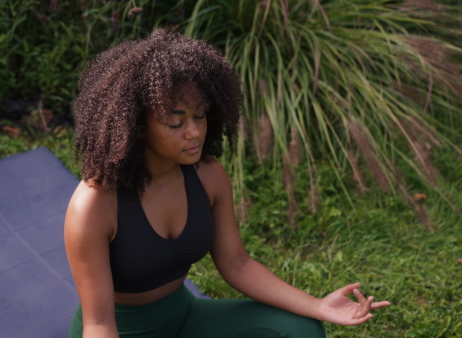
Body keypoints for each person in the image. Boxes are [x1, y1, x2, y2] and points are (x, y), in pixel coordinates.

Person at [65, 28, 390, 338]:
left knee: (301, 330)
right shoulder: (95, 203)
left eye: (200, 115)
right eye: (175, 122)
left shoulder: (208, 175)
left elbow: (237, 264)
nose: (194, 132)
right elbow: (98, 324)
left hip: (183, 317)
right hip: (122, 331)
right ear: (135, 125)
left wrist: (317, 305)